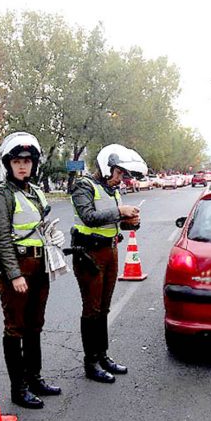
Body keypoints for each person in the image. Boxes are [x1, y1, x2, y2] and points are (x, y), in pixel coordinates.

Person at [0, 132, 64, 409]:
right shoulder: (2, 195)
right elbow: (2, 238)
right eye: (17, 161)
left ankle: (35, 378)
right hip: (18, 268)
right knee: (16, 328)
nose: (23, 166)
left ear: (34, 164)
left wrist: (54, 236)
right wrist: (14, 274)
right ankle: (18, 389)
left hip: (40, 265)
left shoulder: (35, 192)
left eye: (27, 161)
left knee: (35, 325)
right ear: (8, 164)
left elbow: (41, 226)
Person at [70, 144, 142, 383]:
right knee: (91, 309)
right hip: (89, 254)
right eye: (119, 173)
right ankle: (91, 362)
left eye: (124, 175)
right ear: (106, 167)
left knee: (104, 308)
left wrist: (131, 221)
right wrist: (120, 211)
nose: (122, 179)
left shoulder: (113, 192)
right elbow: (88, 217)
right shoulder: (83, 185)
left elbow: (117, 224)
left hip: (110, 252)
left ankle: (103, 356)